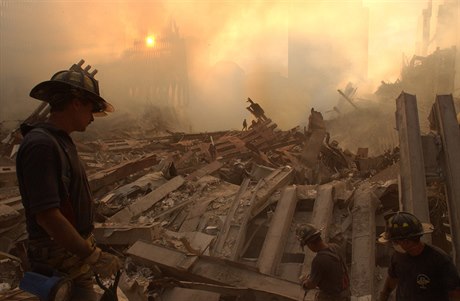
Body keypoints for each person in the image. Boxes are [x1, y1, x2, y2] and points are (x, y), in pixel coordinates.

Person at [16, 61, 122, 301]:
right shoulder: (42, 145)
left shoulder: (59, 141)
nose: (93, 118)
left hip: (72, 257)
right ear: (75, 103)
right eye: (91, 109)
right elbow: (48, 216)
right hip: (59, 261)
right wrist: (93, 256)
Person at [377, 211, 460, 301]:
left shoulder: (439, 260)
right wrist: (384, 296)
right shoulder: (398, 256)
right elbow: (392, 278)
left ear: (406, 242)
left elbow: (455, 293)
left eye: (395, 242)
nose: (393, 245)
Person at [296, 224, 351, 301]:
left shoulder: (319, 260)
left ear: (310, 244)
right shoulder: (335, 247)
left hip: (333, 298)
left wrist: (304, 283)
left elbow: (312, 284)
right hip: (345, 294)